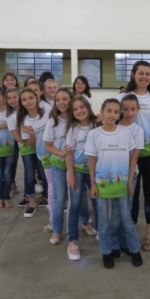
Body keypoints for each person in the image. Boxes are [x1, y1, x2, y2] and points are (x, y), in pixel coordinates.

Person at [117, 61, 150, 251]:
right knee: (130, 193)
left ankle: (149, 233)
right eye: (141, 73)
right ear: (133, 74)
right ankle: (129, 233)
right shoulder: (122, 97)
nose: (144, 77)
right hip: (128, 155)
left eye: (148, 73)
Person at [86, 99, 143, 269]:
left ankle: (134, 249)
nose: (112, 115)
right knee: (103, 221)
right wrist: (93, 184)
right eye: (109, 111)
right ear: (102, 112)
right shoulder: (94, 135)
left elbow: (132, 158)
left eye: (116, 112)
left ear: (120, 114)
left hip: (122, 184)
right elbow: (91, 161)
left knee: (126, 218)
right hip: (102, 185)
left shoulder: (125, 133)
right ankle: (107, 251)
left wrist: (130, 180)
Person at [65, 96, 98, 260]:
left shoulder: (97, 125)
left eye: (82, 107)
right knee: (75, 205)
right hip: (77, 170)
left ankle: (102, 231)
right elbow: (69, 153)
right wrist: (71, 174)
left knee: (98, 203)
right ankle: (72, 241)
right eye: (75, 109)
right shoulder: (73, 130)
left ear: (88, 107)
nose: (79, 111)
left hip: (96, 171)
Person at [9, 88, 50, 218]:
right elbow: (31, 144)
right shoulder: (23, 120)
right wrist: (32, 134)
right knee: (30, 174)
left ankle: (49, 198)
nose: (28, 101)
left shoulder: (47, 111)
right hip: (35, 150)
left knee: (46, 176)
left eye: (31, 98)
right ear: (21, 103)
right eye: (24, 100)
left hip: (48, 151)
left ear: (37, 98)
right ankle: (31, 202)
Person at [44, 88, 75, 244]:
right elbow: (48, 145)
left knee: (78, 198)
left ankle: (84, 222)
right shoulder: (52, 122)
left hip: (76, 166)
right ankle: (57, 230)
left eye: (65, 99)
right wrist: (61, 153)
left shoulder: (77, 119)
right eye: (58, 100)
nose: (62, 102)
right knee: (59, 199)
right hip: (58, 165)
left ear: (72, 99)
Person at [117, 94, 145, 251]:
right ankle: (118, 240)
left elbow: (135, 156)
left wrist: (129, 178)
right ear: (120, 109)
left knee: (126, 209)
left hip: (130, 174)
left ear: (138, 109)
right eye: (126, 109)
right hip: (113, 174)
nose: (129, 113)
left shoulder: (138, 130)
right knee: (116, 210)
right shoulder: (114, 126)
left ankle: (129, 242)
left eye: (133, 109)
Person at [5, 88, 20, 196]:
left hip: (29, 142)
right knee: (12, 163)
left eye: (15, 97)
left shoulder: (26, 110)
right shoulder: (9, 115)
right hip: (14, 141)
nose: (12, 100)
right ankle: (11, 184)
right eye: (9, 98)